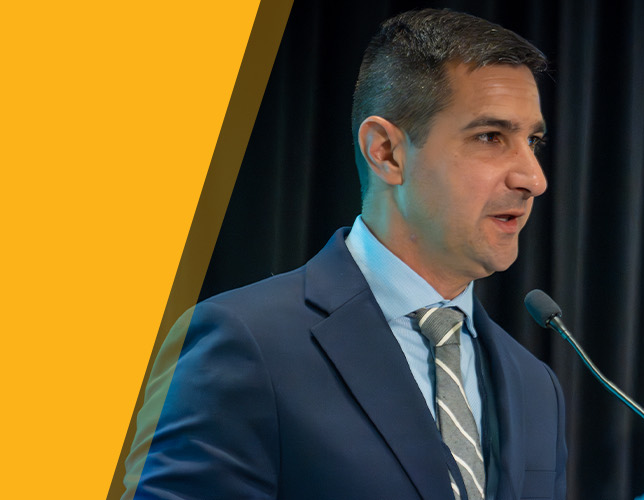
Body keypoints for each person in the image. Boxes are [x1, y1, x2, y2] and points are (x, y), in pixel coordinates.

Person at [121, 9, 566, 500]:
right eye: (490, 137)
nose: (532, 178)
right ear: (386, 152)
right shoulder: (245, 342)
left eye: (533, 141)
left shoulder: (535, 385)